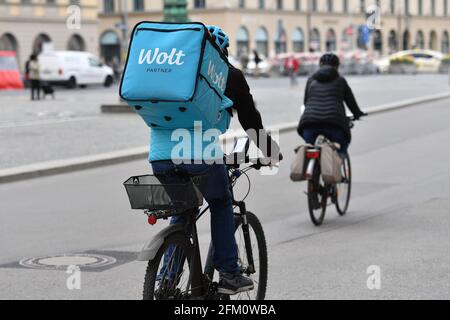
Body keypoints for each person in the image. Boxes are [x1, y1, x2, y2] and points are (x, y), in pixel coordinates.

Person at [150, 25, 282, 295]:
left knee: (182, 210)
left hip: (160, 157)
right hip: (200, 156)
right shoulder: (229, 75)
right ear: (222, 52)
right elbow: (250, 120)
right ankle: (230, 274)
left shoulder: (173, 71)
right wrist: (270, 150)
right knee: (221, 202)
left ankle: (166, 280)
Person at [297, 53, 366, 158]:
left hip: (309, 124)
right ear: (337, 66)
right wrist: (357, 114)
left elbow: (306, 102)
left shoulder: (311, 80)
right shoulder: (340, 80)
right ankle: (340, 161)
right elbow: (351, 102)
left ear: (320, 65)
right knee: (341, 147)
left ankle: (309, 170)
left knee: (310, 147)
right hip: (334, 124)